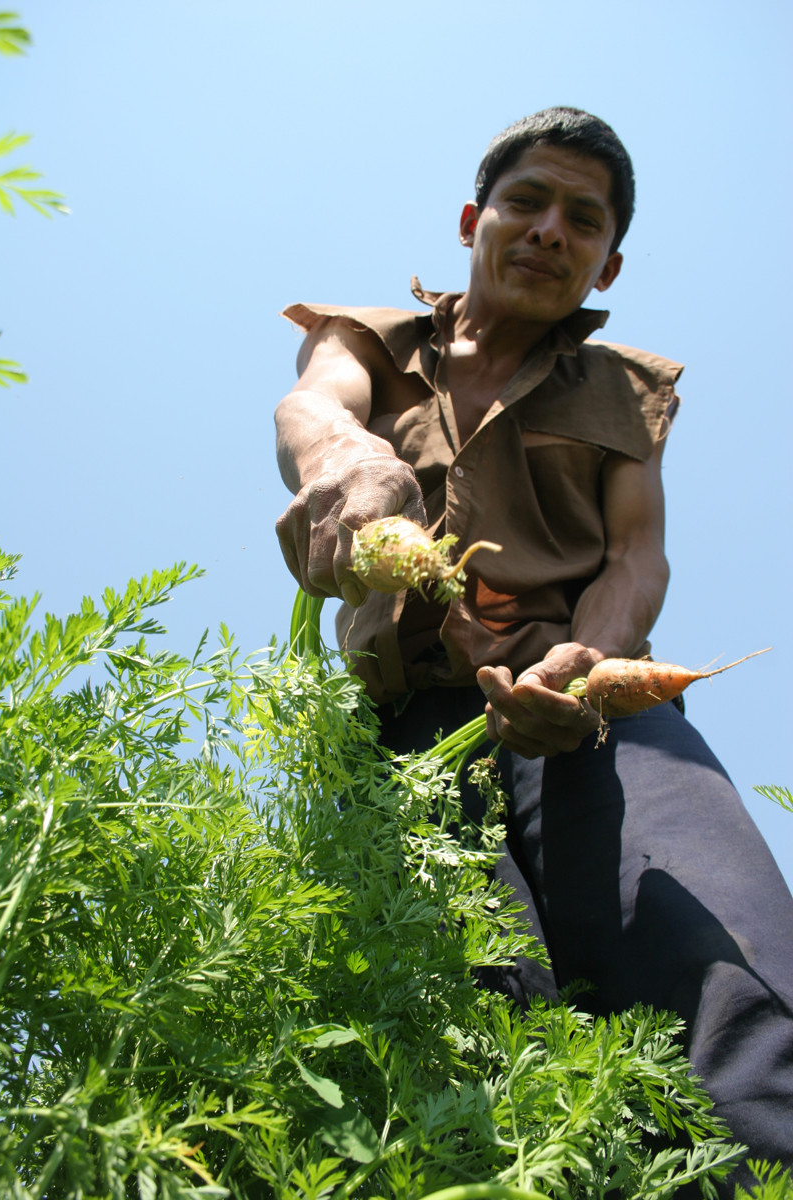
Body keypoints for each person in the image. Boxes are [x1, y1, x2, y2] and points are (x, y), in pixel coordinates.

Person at [274, 108, 793, 1179]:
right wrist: (350, 468)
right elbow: (314, 409)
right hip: (405, 734)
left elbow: (634, 562)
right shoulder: (364, 337)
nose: (549, 230)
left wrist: (584, 668)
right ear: (473, 218)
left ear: (605, 263)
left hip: (601, 718)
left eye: (582, 220)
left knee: (712, 977)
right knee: (471, 1016)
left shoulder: (623, 391)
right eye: (526, 202)